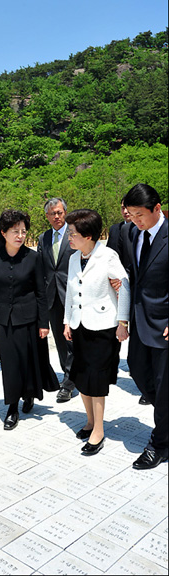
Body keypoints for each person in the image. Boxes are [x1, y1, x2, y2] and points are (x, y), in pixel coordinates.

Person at [0, 209, 59, 430]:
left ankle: (30, 395)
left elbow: (40, 293)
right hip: (3, 320)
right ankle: (12, 407)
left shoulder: (33, 257)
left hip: (30, 319)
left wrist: (44, 323)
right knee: (10, 364)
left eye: (24, 231)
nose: (20, 236)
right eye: (15, 231)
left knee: (29, 360)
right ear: (3, 232)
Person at [63, 209, 130, 456]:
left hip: (103, 327)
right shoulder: (73, 258)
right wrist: (67, 321)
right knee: (81, 376)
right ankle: (90, 421)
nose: (69, 237)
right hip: (80, 325)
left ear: (88, 235)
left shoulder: (108, 256)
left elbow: (125, 286)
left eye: (73, 234)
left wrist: (123, 323)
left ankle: (99, 431)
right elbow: (71, 292)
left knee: (97, 379)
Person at [122, 184, 168, 469]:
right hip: (139, 321)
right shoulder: (131, 234)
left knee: (164, 388)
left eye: (140, 214)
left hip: (164, 324)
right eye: (131, 214)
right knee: (138, 371)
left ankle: (160, 444)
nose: (136, 220)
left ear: (157, 209)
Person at [107, 197, 149, 406]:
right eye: (123, 208)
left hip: (152, 300)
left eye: (131, 210)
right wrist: (118, 281)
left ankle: (148, 389)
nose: (127, 212)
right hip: (125, 289)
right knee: (134, 351)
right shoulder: (122, 230)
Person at [37, 198, 76, 403]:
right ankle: (68, 378)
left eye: (60, 212)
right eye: (53, 213)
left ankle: (72, 381)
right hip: (51, 298)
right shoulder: (43, 238)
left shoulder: (74, 234)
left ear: (66, 213)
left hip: (73, 296)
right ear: (47, 216)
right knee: (61, 341)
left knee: (74, 340)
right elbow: (42, 270)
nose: (57, 216)